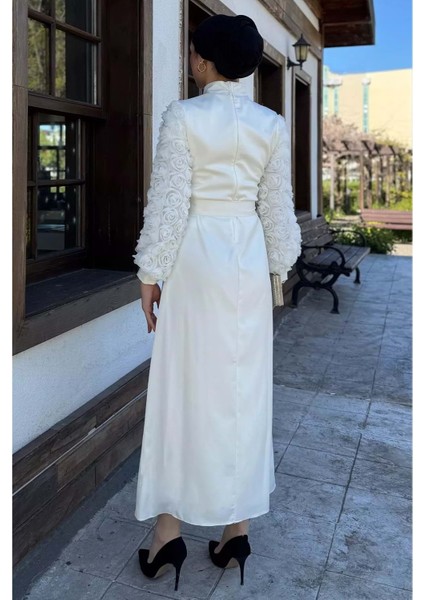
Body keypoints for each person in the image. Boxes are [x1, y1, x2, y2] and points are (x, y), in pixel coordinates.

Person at [133, 14, 302, 592]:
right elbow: (276, 206)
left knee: (182, 390)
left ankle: (168, 533)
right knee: (244, 391)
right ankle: (236, 531)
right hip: (247, 259)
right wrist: (278, 267)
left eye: (192, 52)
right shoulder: (271, 123)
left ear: (203, 61)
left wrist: (150, 273)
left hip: (196, 259)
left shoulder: (183, 116)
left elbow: (169, 201)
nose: (189, 59)